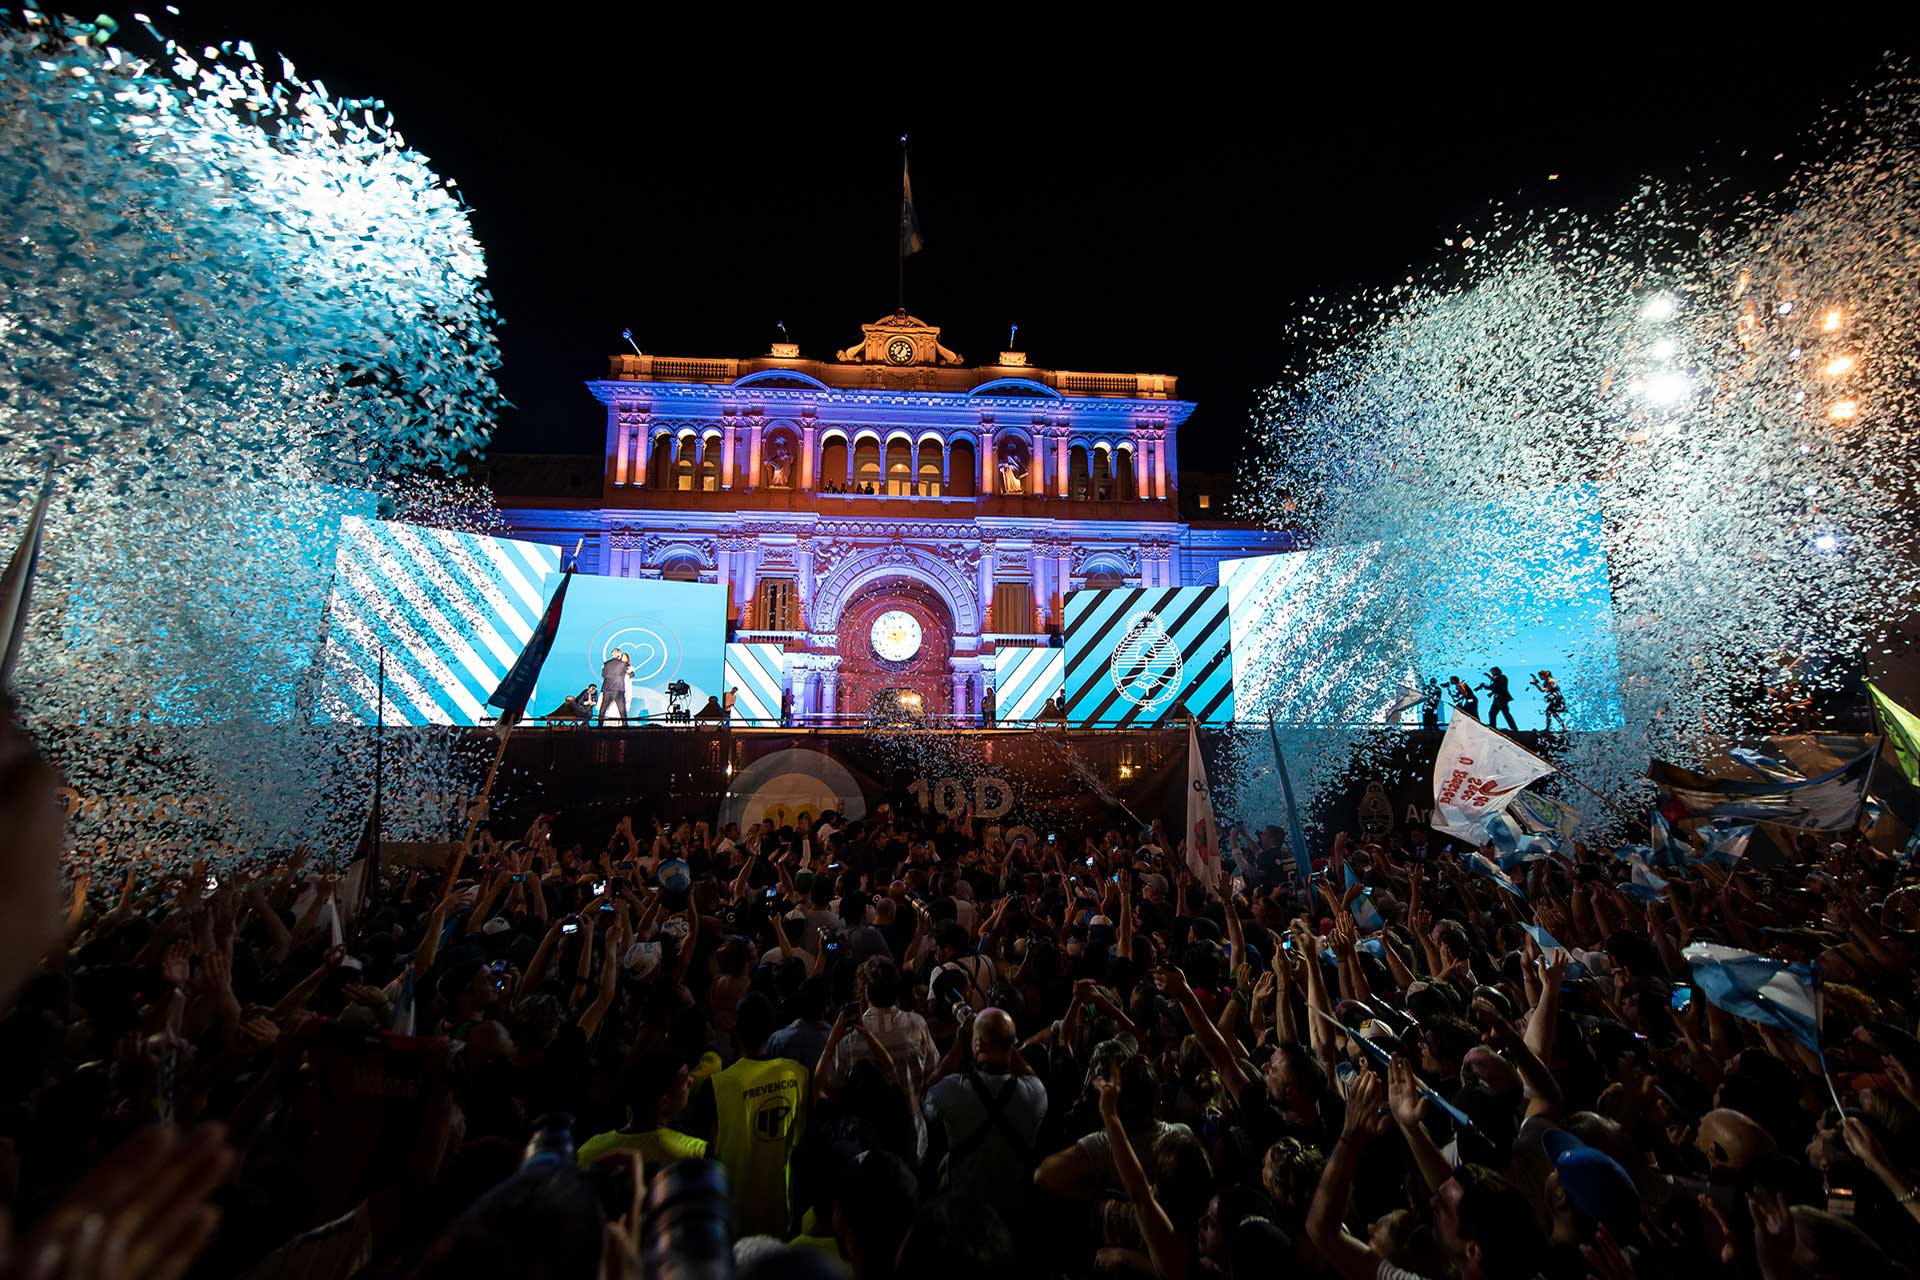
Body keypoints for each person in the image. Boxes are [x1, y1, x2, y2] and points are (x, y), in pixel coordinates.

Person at [689, 992, 809, 1238]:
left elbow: (704, 1154)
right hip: (783, 1215)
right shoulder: (798, 1074)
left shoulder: (716, 1085)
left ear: (737, 1030)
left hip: (733, 1217)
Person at [923, 1008, 1046, 1223]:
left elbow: (928, 1094)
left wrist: (959, 1044)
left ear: (977, 1044)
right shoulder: (1034, 1094)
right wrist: (1007, 1043)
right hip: (1015, 1208)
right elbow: (1030, 1074)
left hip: (964, 1207)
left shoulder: (952, 1091)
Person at [577, 1047, 707, 1167]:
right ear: (664, 1102)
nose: (691, 1080)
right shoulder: (694, 1153)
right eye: (684, 1080)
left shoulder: (590, 1149)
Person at [1477, 666, 1518, 733]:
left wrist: (1489, 676)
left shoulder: (1503, 677)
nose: (1492, 673)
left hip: (1502, 698)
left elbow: (1499, 683)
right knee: (1492, 713)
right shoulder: (1495, 679)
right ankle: (1493, 727)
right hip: (1496, 699)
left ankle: (1514, 729)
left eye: (1492, 672)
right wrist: (1484, 685)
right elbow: (1492, 687)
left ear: (1497, 671)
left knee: (1506, 714)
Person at [599, 648, 631, 724]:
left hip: (607, 688)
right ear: (619, 655)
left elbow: (603, 675)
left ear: (612, 655)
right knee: (622, 709)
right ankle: (625, 725)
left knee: (603, 708)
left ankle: (599, 725)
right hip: (618, 689)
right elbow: (630, 673)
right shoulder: (623, 664)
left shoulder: (606, 664)